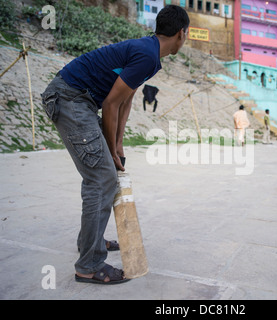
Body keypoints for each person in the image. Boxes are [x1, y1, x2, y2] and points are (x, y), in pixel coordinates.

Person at [40, 5, 190, 285]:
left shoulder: (149, 53)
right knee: (102, 177)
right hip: (70, 98)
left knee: (103, 173)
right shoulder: (147, 54)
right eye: (187, 34)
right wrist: (110, 150)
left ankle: (90, 242)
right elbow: (110, 104)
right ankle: (89, 265)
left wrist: (118, 144)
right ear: (182, 33)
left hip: (79, 100)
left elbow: (125, 97)